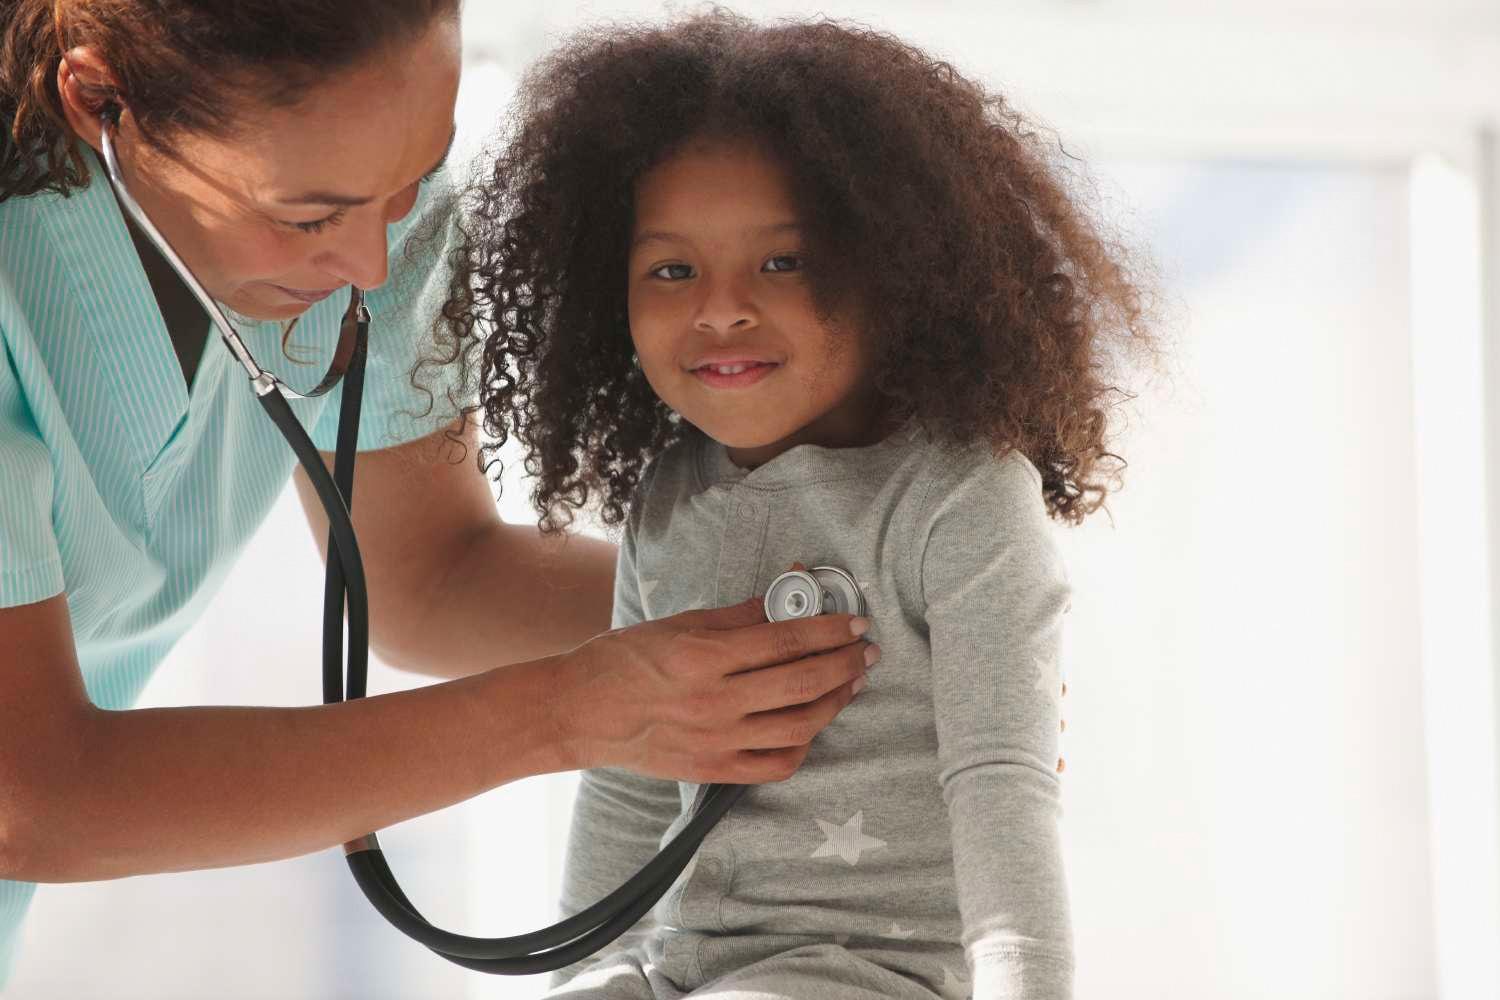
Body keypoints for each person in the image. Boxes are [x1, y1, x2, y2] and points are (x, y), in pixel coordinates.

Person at [0, 1, 876, 985]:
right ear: (97, 98)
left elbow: (433, 574)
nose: (371, 264)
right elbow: (32, 795)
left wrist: (837, 626)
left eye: (415, 178)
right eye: (308, 217)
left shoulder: (368, 188)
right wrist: (570, 712)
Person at [438, 11, 1155, 1000]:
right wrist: (585, 972)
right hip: (690, 967)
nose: (721, 305)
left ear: (898, 274)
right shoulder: (668, 501)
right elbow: (626, 779)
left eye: (782, 261)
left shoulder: (962, 495)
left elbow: (1004, 788)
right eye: (671, 269)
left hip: (877, 972)